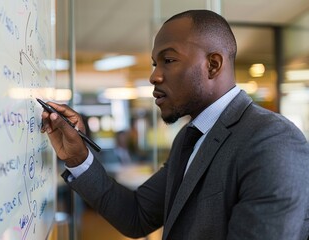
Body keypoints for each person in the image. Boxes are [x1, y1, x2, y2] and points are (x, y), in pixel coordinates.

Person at [41, 9, 309, 240]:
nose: (154, 76)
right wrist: (77, 157)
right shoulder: (190, 137)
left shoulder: (272, 140)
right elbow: (137, 215)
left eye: (168, 61)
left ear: (213, 65)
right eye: (155, 64)